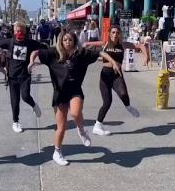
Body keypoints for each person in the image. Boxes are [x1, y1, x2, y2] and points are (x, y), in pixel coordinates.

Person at [28, 31, 121, 166]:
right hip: (59, 94)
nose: (67, 42)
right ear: (61, 42)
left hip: (75, 91)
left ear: (74, 41)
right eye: (65, 40)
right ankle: (57, 152)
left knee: (76, 113)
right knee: (61, 127)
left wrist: (113, 62)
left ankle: (81, 130)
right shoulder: (53, 53)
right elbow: (36, 52)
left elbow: (100, 53)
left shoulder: (81, 54)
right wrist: (31, 63)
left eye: (70, 40)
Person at [84, 25, 140, 135]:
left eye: (117, 32)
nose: (115, 34)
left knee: (123, 94)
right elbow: (88, 45)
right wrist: (85, 45)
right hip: (105, 75)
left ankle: (128, 107)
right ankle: (97, 126)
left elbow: (138, 46)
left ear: (120, 34)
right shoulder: (105, 44)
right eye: (113, 32)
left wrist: (146, 54)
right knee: (107, 102)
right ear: (110, 33)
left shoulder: (123, 45)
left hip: (117, 75)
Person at [0, 21, 46, 132]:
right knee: (15, 100)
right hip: (12, 76)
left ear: (25, 31)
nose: (19, 33)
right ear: (14, 31)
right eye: (17, 31)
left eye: (21, 31)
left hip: (25, 75)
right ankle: (16, 122)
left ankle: (33, 105)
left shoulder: (30, 43)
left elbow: (43, 47)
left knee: (25, 96)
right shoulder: (10, 42)